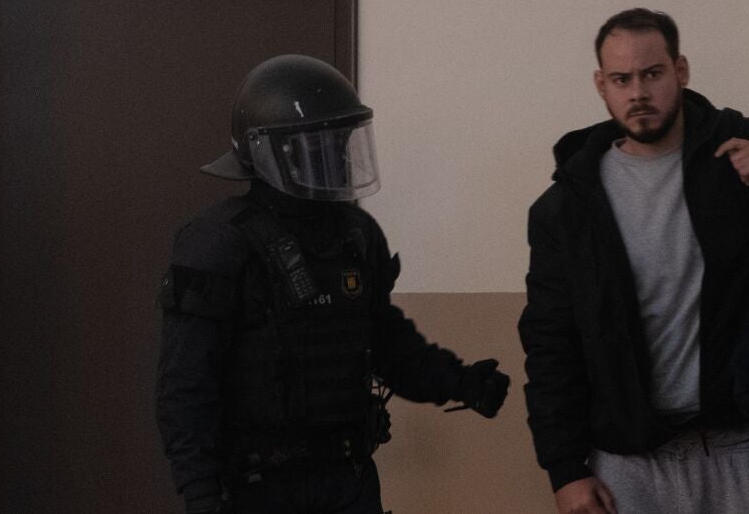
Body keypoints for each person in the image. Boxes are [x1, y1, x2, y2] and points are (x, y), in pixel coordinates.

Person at [156, 54, 510, 514]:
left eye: (341, 142)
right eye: (319, 146)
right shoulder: (217, 243)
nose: (336, 157)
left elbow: (386, 342)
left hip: (348, 479)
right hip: (256, 488)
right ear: (274, 153)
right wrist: (200, 491)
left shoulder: (356, 235)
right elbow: (186, 384)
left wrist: (458, 381)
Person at [518, 8, 749, 514]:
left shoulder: (746, 148)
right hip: (629, 460)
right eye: (621, 79)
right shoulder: (568, 207)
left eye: (652, 74)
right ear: (601, 85)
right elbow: (550, 342)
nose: (638, 93)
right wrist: (565, 470)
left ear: (681, 71)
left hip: (745, 445)